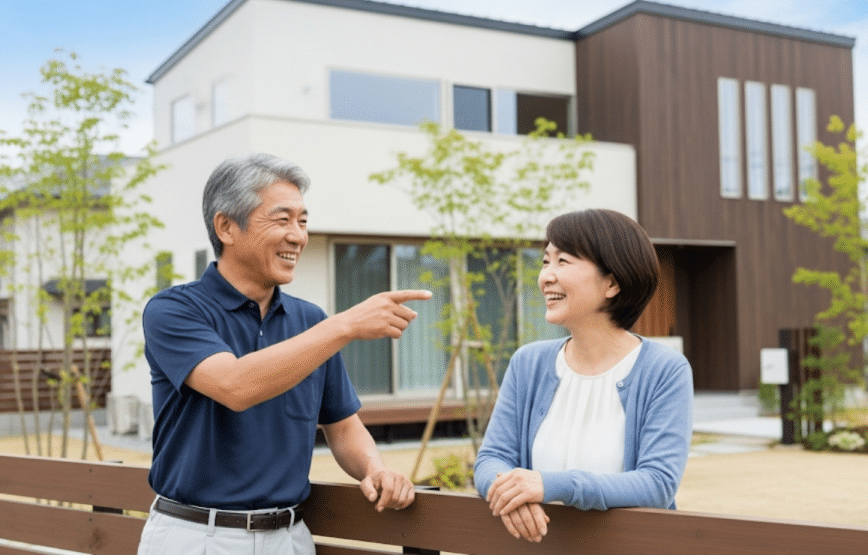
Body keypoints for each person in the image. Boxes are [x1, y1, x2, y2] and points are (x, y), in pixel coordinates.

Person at [138, 153, 432, 554]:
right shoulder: (174, 310)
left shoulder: (310, 322)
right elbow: (235, 385)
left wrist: (375, 469)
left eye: (303, 221)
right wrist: (344, 325)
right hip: (197, 537)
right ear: (226, 226)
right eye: (282, 219)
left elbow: (343, 428)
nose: (298, 236)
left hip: (290, 538)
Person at [474, 208, 693, 543]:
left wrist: (549, 484)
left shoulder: (664, 369)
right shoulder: (528, 363)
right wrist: (511, 492)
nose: (546, 276)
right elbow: (492, 458)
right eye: (546, 261)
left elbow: (657, 484)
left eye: (563, 261)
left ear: (613, 282)